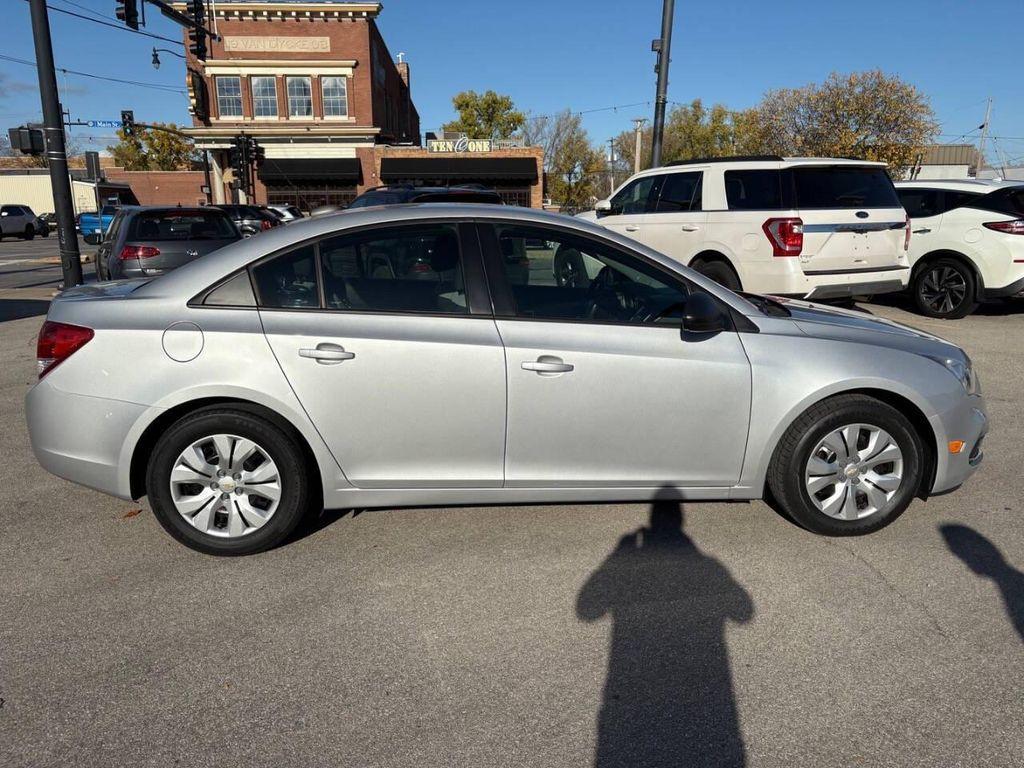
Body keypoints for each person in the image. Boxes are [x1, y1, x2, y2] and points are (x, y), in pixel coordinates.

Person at [577, 495, 754, 767]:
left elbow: (587, 610)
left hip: (624, 700)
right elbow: (743, 612)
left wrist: (617, 555)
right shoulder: (710, 565)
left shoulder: (705, 565)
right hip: (714, 703)